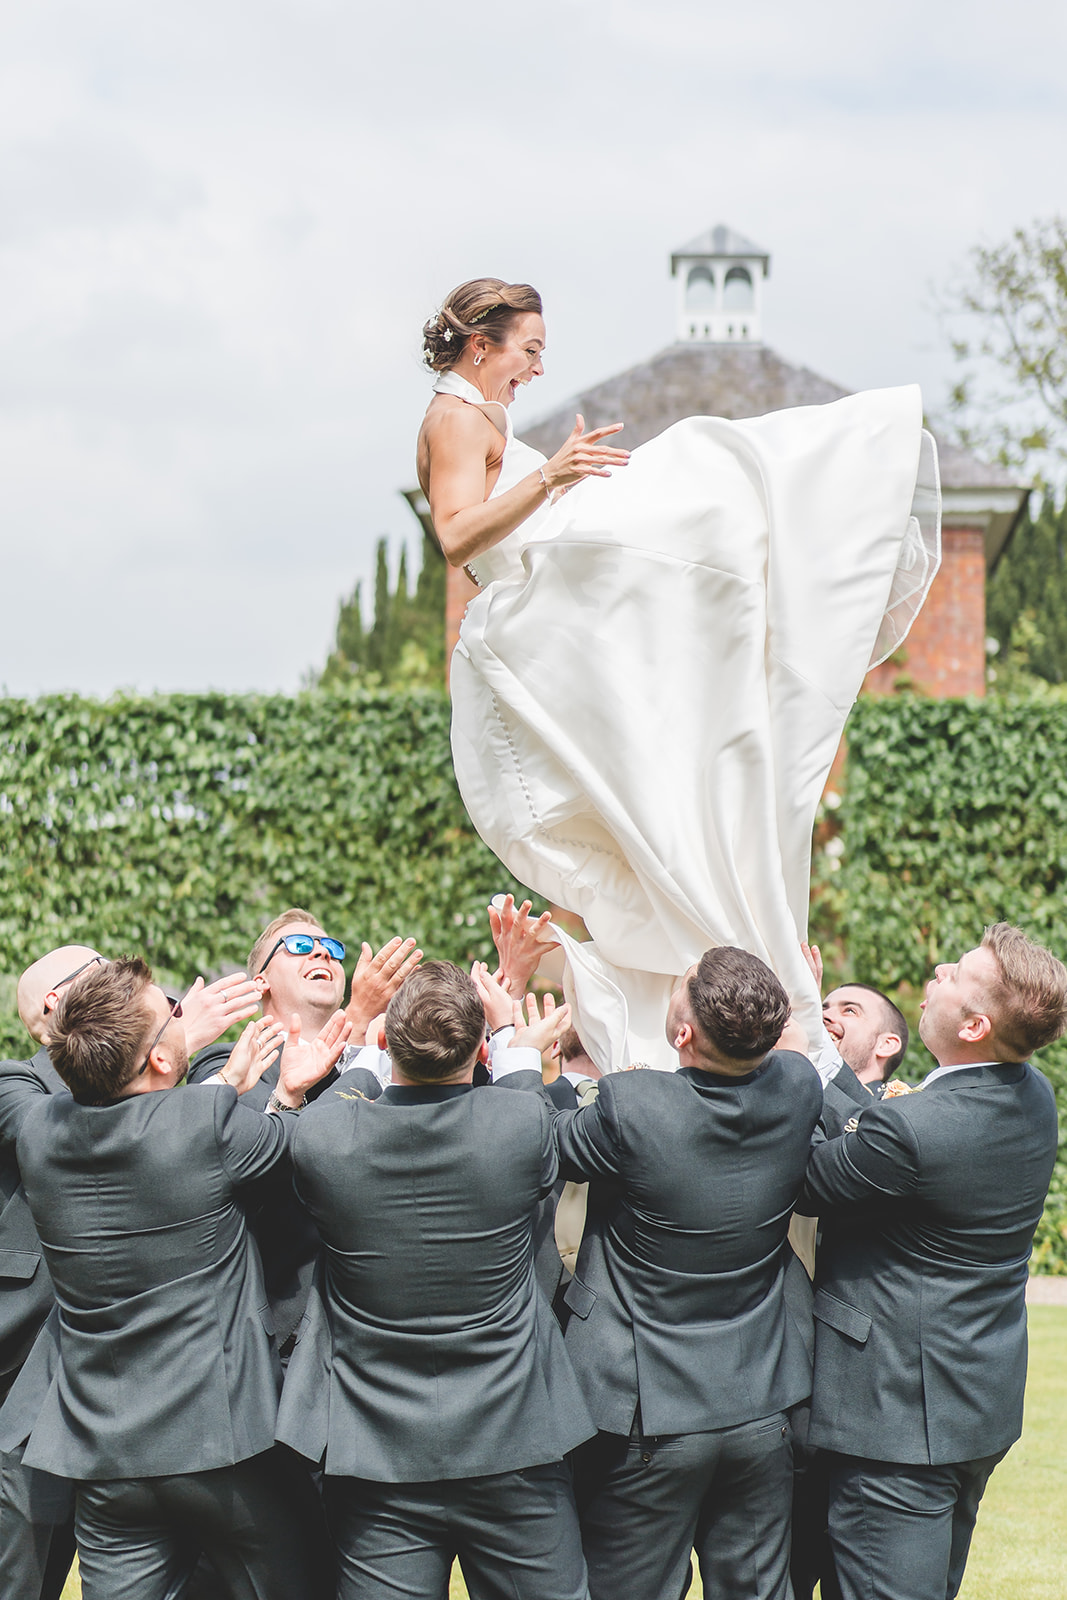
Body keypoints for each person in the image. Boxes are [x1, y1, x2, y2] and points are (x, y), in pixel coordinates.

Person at [418, 277, 941, 1073]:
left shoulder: (485, 413)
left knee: (701, 502)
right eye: (529, 351)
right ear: (481, 343)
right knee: (694, 489)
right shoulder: (454, 416)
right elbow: (454, 538)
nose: (536, 369)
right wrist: (550, 479)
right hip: (538, 616)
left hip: (559, 597)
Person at [0, 956, 346, 1600]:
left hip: (105, 1459)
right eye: (175, 1014)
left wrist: (220, 1085)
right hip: (227, 1450)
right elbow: (294, 1144)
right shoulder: (207, 1126)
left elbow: (158, 1123)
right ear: (160, 1060)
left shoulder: (42, 1133)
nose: (184, 1015)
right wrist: (289, 1092)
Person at [488, 946, 824, 1600]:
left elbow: (532, 1144)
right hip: (761, 1403)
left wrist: (511, 1042)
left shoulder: (633, 1104)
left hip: (647, 1413)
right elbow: (788, 1045)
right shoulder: (796, 1088)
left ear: (682, 1034)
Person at [276, 960, 594, 1600]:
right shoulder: (520, 1126)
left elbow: (333, 1101)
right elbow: (530, 1097)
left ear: (389, 1044)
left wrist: (362, 1043)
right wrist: (513, 1041)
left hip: (378, 1449)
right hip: (515, 1439)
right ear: (478, 1052)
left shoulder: (328, 1136)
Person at [799, 923, 1067, 1600]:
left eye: (953, 975)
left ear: (974, 1025)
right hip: (974, 1403)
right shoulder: (1031, 1095)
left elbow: (805, 1179)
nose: (937, 971)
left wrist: (798, 1052)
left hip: (895, 1423)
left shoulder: (916, 1129)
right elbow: (897, 1136)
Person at [188, 907, 417, 1353]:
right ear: (262, 982)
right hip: (279, 1326)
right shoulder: (223, 1065)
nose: (322, 953)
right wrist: (356, 1017)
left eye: (332, 948)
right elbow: (276, 1156)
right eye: (299, 946)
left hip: (378, 1325)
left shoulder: (384, 1063)